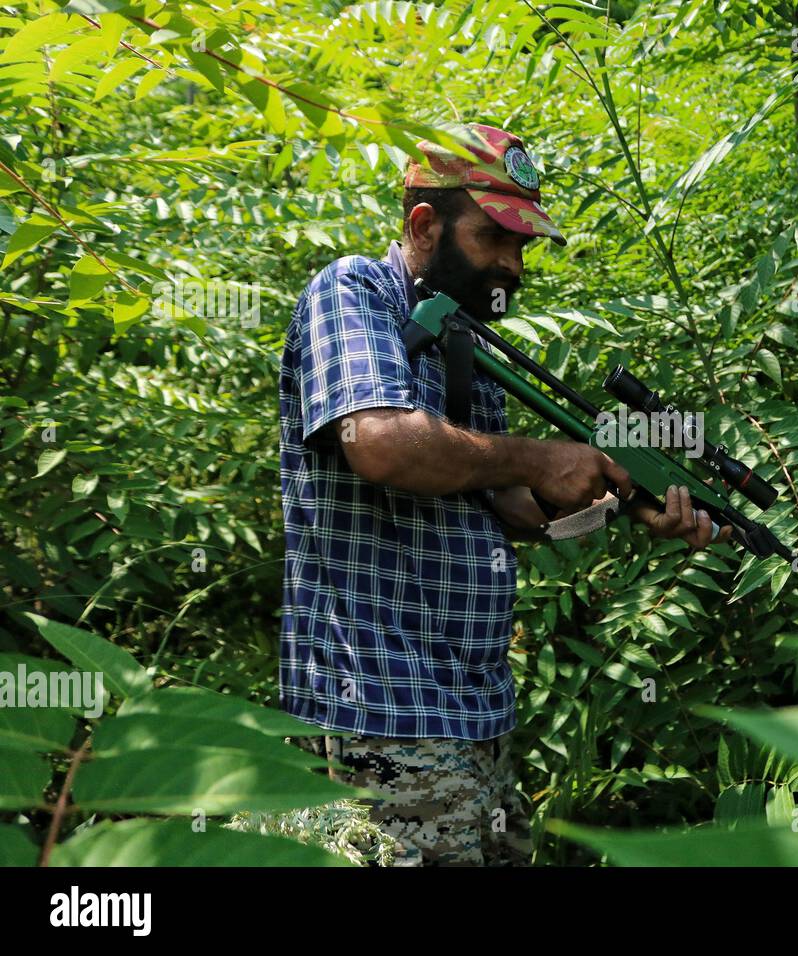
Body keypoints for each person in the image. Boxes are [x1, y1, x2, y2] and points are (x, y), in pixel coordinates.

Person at [278, 122, 730, 866]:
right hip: (380, 703)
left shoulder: (466, 338)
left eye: (522, 246)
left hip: (475, 709)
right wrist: (543, 456)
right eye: (496, 239)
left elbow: (506, 505)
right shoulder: (353, 291)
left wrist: (613, 495)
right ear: (425, 224)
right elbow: (382, 444)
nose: (513, 266)